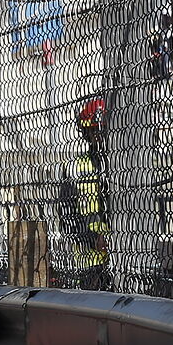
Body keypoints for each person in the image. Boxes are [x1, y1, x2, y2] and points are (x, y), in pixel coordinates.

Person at [59, 98, 111, 290]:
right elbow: (67, 214)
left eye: (102, 130)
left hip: (123, 256)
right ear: (86, 132)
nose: (98, 136)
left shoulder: (122, 165)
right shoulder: (74, 167)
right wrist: (92, 239)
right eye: (94, 131)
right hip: (89, 260)